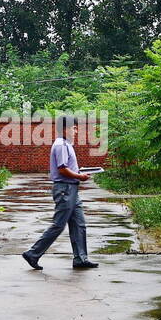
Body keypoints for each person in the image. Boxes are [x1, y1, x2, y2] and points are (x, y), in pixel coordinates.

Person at [22, 115, 98, 271]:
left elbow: (67, 167)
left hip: (72, 190)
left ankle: (80, 259)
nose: (76, 131)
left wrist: (79, 172)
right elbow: (62, 169)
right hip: (65, 189)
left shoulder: (67, 144)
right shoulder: (61, 145)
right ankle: (33, 253)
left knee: (79, 224)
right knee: (58, 225)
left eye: (76, 128)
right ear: (64, 129)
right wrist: (80, 176)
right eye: (73, 128)